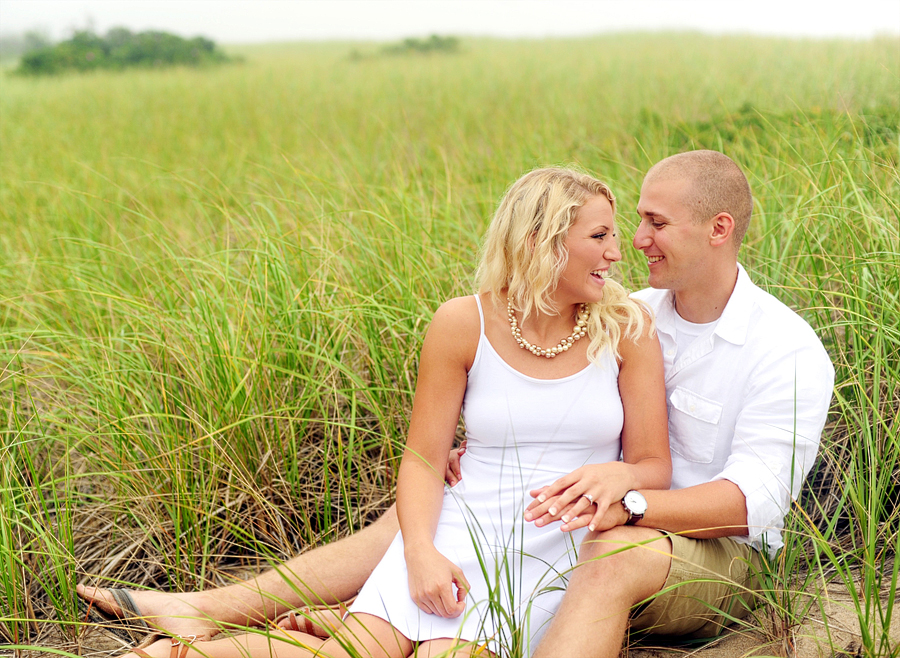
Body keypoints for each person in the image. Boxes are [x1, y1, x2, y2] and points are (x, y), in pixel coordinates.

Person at [78, 150, 834, 658]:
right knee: (431, 507)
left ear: (719, 229)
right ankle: (213, 613)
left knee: (605, 549)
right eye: (621, 225)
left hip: (695, 548)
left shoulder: (783, 349)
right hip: (564, 512)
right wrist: (493, 455)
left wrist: (631, 498)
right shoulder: (626, 306)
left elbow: (749, 505)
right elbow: (508, 412)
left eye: (653, 225)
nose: (632, 242)